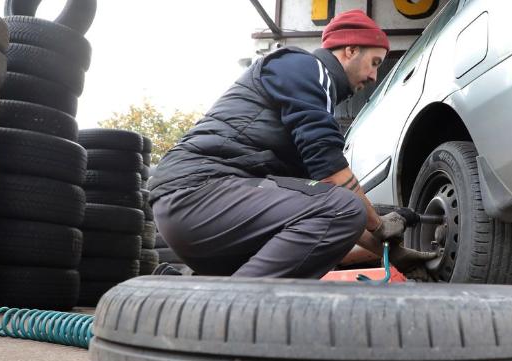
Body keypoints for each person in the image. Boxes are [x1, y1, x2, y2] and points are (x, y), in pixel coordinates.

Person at [148, 9, 436, 279]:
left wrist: (393, 254)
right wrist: (379, 223)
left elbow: (326, 209)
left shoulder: (313, 101)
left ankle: (180, 295)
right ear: (350, 50)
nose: (374, 76)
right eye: (374, 62)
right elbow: (334, 182)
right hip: (198, 193)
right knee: (345, 207)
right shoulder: (304, 66)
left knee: (336, 213)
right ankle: (225, 306)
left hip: (201, 211)